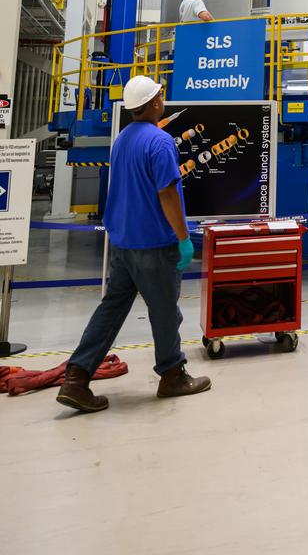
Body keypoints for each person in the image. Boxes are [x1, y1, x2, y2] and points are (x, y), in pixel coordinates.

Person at [56, 75, 211, 414]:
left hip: (122, 242)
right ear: (154, 103)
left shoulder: (122, 139)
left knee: (111, 309)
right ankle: (172, 375)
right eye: (160, 95)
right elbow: (167, 192)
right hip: (154, 243)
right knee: (165, 311)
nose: (162, 99)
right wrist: (184, 237)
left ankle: (76, 379)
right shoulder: (160, 142)